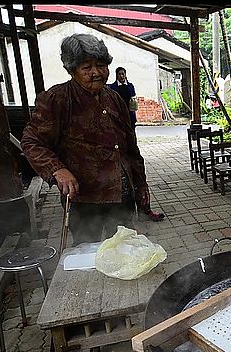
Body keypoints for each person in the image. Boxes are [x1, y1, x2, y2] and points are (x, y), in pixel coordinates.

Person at [21, 33, 162, 246]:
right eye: (87, 68)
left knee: (126, 250)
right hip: (85, 200)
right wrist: (57, 170)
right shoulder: (57, 99)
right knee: (89, 256)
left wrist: (141, 183)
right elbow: (32, 142)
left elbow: (131, 147)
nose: (96, 72)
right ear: (72, 70)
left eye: (101, 65)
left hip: (122, 195)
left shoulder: (114, 98)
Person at [108, 66, 138, 131]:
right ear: (116, 75)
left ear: (125, 75)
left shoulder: (130, 86)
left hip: (130, 113)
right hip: (118, 113)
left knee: (131, 132)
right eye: (119, 74)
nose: (121, 76)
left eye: (123, 74)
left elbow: (133, 98)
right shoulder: (113, 87)